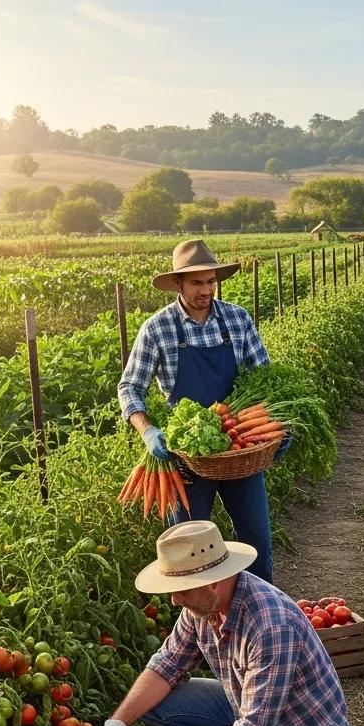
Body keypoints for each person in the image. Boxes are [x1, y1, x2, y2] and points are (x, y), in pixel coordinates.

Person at [85, 520, 351, 726]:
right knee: (153, 703)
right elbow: (165, 665)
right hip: (249, 712)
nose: (174, 601)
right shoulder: (201, 607)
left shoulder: (270, 625)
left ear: (212, 582)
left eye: (181, 590)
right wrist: (115, 725)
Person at [117, 240, 278, 583]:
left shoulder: (237, 319)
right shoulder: (157, 329)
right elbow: (129, 387)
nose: (206, 290)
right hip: (186, 459)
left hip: (239, 447)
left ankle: (261, 623)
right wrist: (147, 430)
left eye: (210, 281)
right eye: (196, 283)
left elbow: (264, 378)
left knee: (257, 545)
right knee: (186, 557)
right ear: (178, 283)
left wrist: (276, 427)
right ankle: (196, 628)